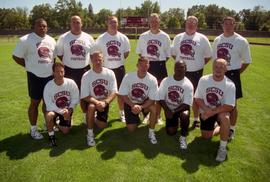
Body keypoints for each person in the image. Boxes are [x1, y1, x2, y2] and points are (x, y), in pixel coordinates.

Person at [12, 18, 56, 140]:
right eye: (39, 26)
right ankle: (33, 129)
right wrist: (29, 66)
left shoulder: (51, 40)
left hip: (49, 76)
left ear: (47, 27)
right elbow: (16, 57)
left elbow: (53, 59)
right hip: (34, 76)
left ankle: (48, 124)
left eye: (44, 26)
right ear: (34, 26)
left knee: (48, 102)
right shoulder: (25, 40)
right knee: (34, 103)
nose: (42, 28)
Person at [212, 16, 251, 140]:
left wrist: (236, 73)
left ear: (234, 25)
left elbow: (247, 61)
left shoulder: (241, 40)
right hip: (218, 72)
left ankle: (232, 129)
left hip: (233, 73)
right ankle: (220, 123)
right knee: (217, 99)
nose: (228, 26)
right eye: (226, 24)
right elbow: (215, 58)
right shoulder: (218, 39)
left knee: (233, 104)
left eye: (230, 24)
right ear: (222, 25)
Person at [171, 15, 212, 129]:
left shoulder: (202, 38)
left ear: (196, 25)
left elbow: (208, 56)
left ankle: (196, 119)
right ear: (185, 23)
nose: (190, 24)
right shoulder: (178, 37)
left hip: (196, 72)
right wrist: (181, 65)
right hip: (181, 72)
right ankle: (179, 117)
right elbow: (174, 54)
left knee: (195, 97)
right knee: (179, 94)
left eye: (193, 22)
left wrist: (197, 64)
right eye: (188, 22)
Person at [194, 58, 236, 162]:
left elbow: (229, 106)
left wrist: (210, 112)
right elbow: (197, 98)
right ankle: (221, 128)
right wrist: (206, 110)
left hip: (220, 111)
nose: (218, 69)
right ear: (212, 67)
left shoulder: (230, 84)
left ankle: (222, 148)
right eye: (216, 67)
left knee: (225, 117)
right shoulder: (204, 79)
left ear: (226, 69)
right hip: (206, 109)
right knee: (206, 136)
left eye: (221, 67)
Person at [56, 15, 95, 122]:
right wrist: (71, 61)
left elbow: (92, 55)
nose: (76, 24)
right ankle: (67, 116)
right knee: (67, 94)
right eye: (73, 22)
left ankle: (86, 115)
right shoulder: (63, 37)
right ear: (70, 24)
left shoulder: (88, 37)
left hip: (85, 69)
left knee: (85, 94)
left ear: (81, 24)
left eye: (78, 22)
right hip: (69, 70)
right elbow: (60, 54)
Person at [136, 13, 171, 125]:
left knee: (160, 93)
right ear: (149, 22)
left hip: (160, 66)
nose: (154, 23)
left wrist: (158, 62)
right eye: (152, 21)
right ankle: (147, 115)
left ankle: (158, 115)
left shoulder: (165, 36)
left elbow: (168, 55)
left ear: (159, 22)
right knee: (146, 91)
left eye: (156, 21)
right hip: (147, 66)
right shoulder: (143, 36)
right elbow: (140, 54)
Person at [95, 16, 130, 122]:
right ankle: (99, 111)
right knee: (102, 92)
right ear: (107, 23)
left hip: (119, 68)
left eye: (115, 22)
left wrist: (116, 60)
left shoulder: (123, 38)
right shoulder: (101, 38)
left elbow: (126, 53)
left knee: (120, 93)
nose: (113, 24)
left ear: (118, 24)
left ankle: (121, 113)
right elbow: (97, 54)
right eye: (111, 22)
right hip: (105, 69)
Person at [119, 57, 159, 144]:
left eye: (146, 65)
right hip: (130, 103)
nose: (144, 68)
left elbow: (152, 99)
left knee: (153, 108)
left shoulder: (152, 79)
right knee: (131, 129)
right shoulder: (128, 76)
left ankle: (151, 132)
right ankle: (139, 117)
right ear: (137, 65)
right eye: (141, 65)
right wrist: (133, 105)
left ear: (149, 66)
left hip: (144, 104)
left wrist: (141, 107)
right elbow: (123, 95)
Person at [81, 51, 117, 147]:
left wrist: (105, 103)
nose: (98, 62)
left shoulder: (110, 73)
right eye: (95, 60)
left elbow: (114, 92)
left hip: (104, 102)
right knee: (92, 107)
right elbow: (84, 95)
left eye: (100, 59)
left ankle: (91, 117)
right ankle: (90, 134)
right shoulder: (86, 75)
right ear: (91, 60)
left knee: (102, 126)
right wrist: (97, 102)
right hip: (91, 101)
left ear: (103, 60)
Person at [159, 61, 193, 150]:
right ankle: (176, 123)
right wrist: (167, 110)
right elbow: (161, 97)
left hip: (181, 109)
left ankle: (183, 136)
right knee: (170, 132)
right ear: (174, 68)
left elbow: (186, 104)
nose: (179, 69)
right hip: (169, 108)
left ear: (186, 69)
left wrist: (173, 112)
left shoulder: (188, 84)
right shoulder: (166, 80)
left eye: (182, 67)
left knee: (185, 115)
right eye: (177, 67)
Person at [43, 62, 79, 147]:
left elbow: (75, 98)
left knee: (66, 131)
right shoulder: (48, 86)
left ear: (64, 72)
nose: (60, 74)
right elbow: (48, 104)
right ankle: (51, 136)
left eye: (61, 71)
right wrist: (62, 112)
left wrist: (69, 110)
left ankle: (56, 122)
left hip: (67, 109)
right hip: (55, 110)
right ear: (53, 73)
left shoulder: (71, 83)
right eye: (57, 72)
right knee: (49, 116)